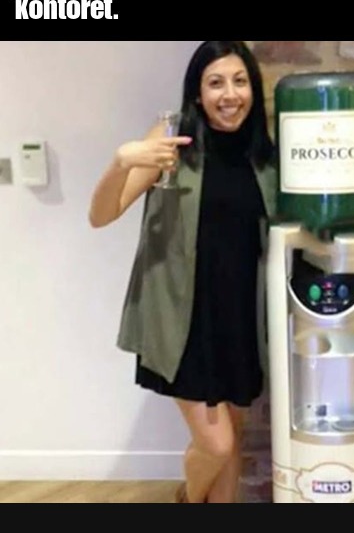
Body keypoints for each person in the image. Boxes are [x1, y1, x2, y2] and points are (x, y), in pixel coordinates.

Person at [88, 41, 277, 503]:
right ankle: (188, 501)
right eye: (215, 83)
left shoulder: (263, 153)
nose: (229, 94)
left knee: (231, 436)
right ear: (197, 93)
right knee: (217, 444)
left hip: (241, 316)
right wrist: (122, 162)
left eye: (239, 81)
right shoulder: (171, 140)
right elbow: (101, 215)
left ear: (253, 88)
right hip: (183, 316)